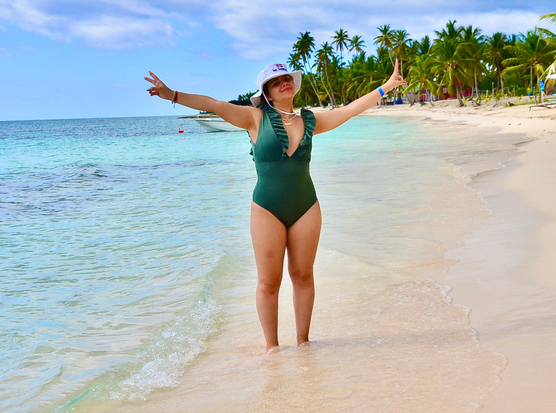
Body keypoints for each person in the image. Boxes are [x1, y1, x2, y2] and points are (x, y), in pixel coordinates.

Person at [145, 61, 407, 353]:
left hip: (306, 206)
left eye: (287, 78)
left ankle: (304, 343)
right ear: (267, 92)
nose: (284, 82)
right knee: (269, 282)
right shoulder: (254, 118)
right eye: (276, 81)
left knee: (303, 275)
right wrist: (172, 95)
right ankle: (272, 348)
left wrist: (387, 86)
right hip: (266, 209)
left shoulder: (310, 120)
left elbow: (348, 111)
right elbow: (214, 104)